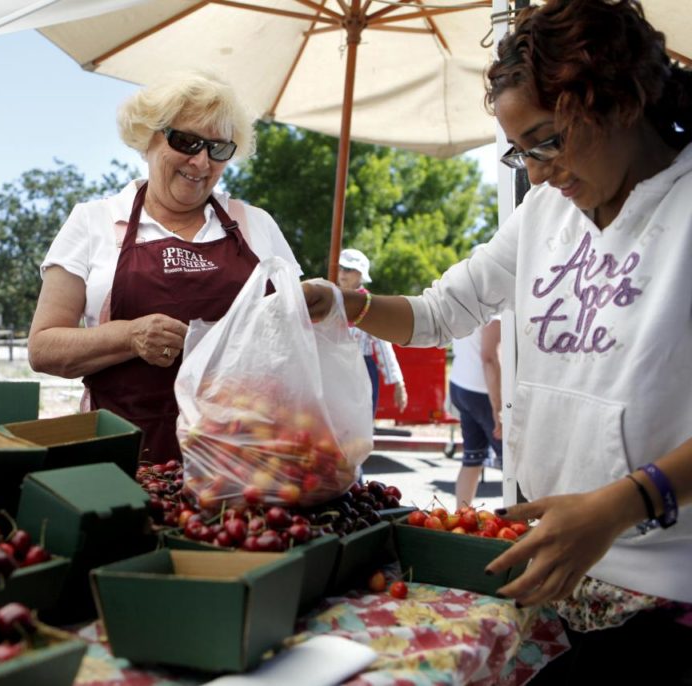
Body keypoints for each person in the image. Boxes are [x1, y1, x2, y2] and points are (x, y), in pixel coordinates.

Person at [303, 0, 691, 680]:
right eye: (521, 151)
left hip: (664, 593)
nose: (536, 173)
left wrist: (622, 505)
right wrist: (345, 303)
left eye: (547, 141)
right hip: (548, 566)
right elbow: (438, 312)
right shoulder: (544, 212)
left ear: (619, 101)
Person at [28, 71, 300, 464]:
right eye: (186, 141)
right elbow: (43, 348)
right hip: (122, 458)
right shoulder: (93, 222)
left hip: (242, 464)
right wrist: (130, 336)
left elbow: (298, 338)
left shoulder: (256, 224)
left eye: (218, 149)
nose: (201, 161)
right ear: (148, 138)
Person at [336, 248, 408, 417]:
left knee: (360, 423)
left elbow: (383, 346)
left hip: (361, 370)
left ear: (360, 274)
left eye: (348, 269)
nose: (342, 273)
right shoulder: (330, 297)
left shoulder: (369, 304)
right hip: (334, 368)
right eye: (340, 267)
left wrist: (398, 383)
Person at [448, 318, 502, 510]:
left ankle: (460, 518)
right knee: (513, 464)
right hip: (483, 391)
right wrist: (498, 408)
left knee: (472, 458)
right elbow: (489, 356)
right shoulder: (498, 307)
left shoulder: (471, 293)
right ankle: (521, 525)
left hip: (460, 383)